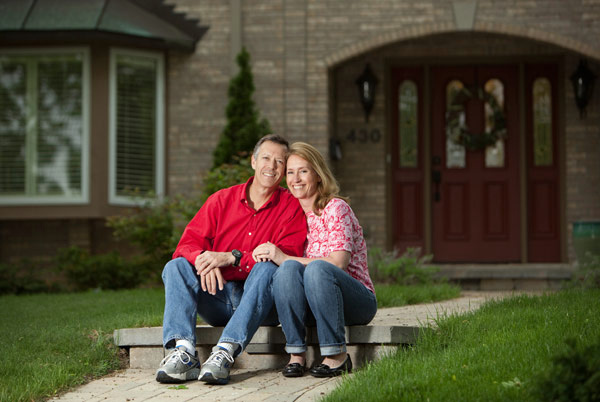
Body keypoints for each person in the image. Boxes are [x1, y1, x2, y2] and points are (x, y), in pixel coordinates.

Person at [156, 134, 307, 384]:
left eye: (279, 162)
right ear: (253, 161)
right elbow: (186, 245)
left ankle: (225, 351)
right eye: (266, 158)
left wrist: (232, 258)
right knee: (176, 266)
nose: (271, 166)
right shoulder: (222, 200)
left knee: (268, 268)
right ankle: (183, 352)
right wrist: (203, 259)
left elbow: (285, 258)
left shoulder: (291, 207)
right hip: (217, 297)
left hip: (262, 303)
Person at [252, 142, 377, 378]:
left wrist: (284, 256)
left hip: (354, 301)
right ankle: (296, 355)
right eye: (290, 172)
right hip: (313, 304)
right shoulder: (291, 216)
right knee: (288, 268)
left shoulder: (334, 208)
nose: (296, 179)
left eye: (303, 171)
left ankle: (337, 355)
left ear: (318, 175)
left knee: (317, 268)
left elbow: (338, 263)